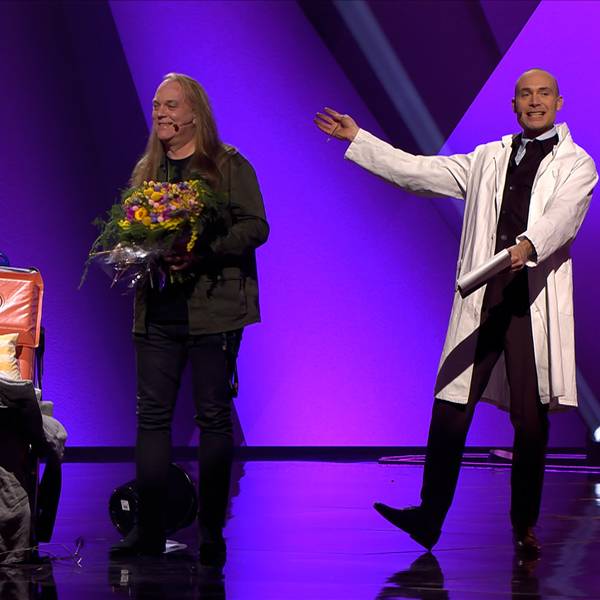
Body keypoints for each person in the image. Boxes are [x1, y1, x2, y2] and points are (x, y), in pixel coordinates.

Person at [315, 69, 597, 556]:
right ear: (514, 105)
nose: (534, 102)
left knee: (530, 420)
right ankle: (429, 517)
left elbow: (563, 218)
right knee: (450, 407)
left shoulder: (578, 164)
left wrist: (527, 245)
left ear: (559, 102)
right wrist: (359, 139)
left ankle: (524, 527)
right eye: (525, 95)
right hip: (483, 296)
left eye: (543, 94)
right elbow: (418, 173)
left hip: (530, 303)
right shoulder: (488, 158)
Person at [110, 73, 269, 568]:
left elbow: (256, 226)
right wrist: (133, 249)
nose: (161, 113)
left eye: (171, 105)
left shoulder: (228, 165)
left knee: (213, 417)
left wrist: (203, 250)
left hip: (213, 310)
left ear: (195, 114)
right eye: (157, 105)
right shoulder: (148, 170)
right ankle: (149, 528)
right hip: (158, 311)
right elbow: (130, 229)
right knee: (152, 418)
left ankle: (212, 532)